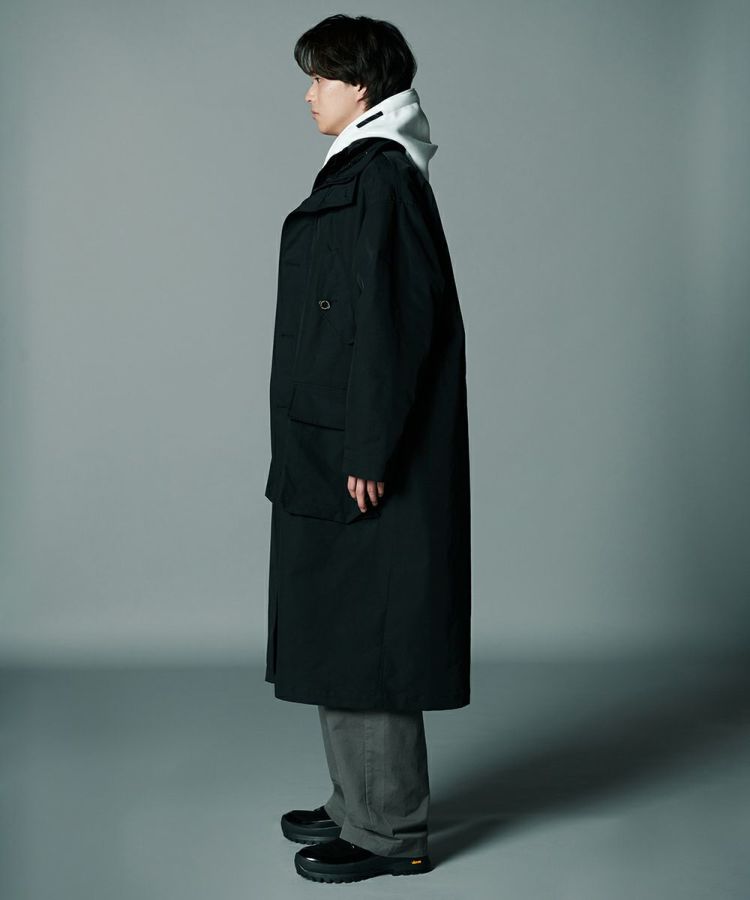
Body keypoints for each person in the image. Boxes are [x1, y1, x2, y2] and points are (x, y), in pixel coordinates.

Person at [263, 14, 471, 884]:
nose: (309, 94)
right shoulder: (364, 168)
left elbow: (395, 324)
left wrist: (370, 449)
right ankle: (355, 800)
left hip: (362, 450)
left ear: (361, 85)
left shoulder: (382, 177)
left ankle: (390, 830)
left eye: (320, 77)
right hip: (336, 439)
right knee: (340, 624)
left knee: (371, 631)